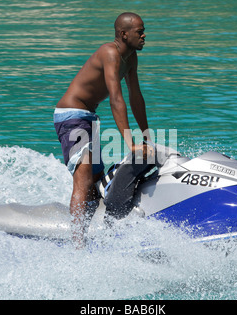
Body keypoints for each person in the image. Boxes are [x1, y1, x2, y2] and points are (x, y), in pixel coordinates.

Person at [54, 12, 153, 248]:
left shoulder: (130, 59)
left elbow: (135, 97)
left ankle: (93, 232)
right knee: (84, 175)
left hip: (89, 118)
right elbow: (116, 99)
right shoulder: (110, 52)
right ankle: (77, 246)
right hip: (71, 116)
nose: (144, 35)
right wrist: (131, 144)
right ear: (123, 34)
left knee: (96, 183)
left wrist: (146, 136)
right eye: (139, 31)